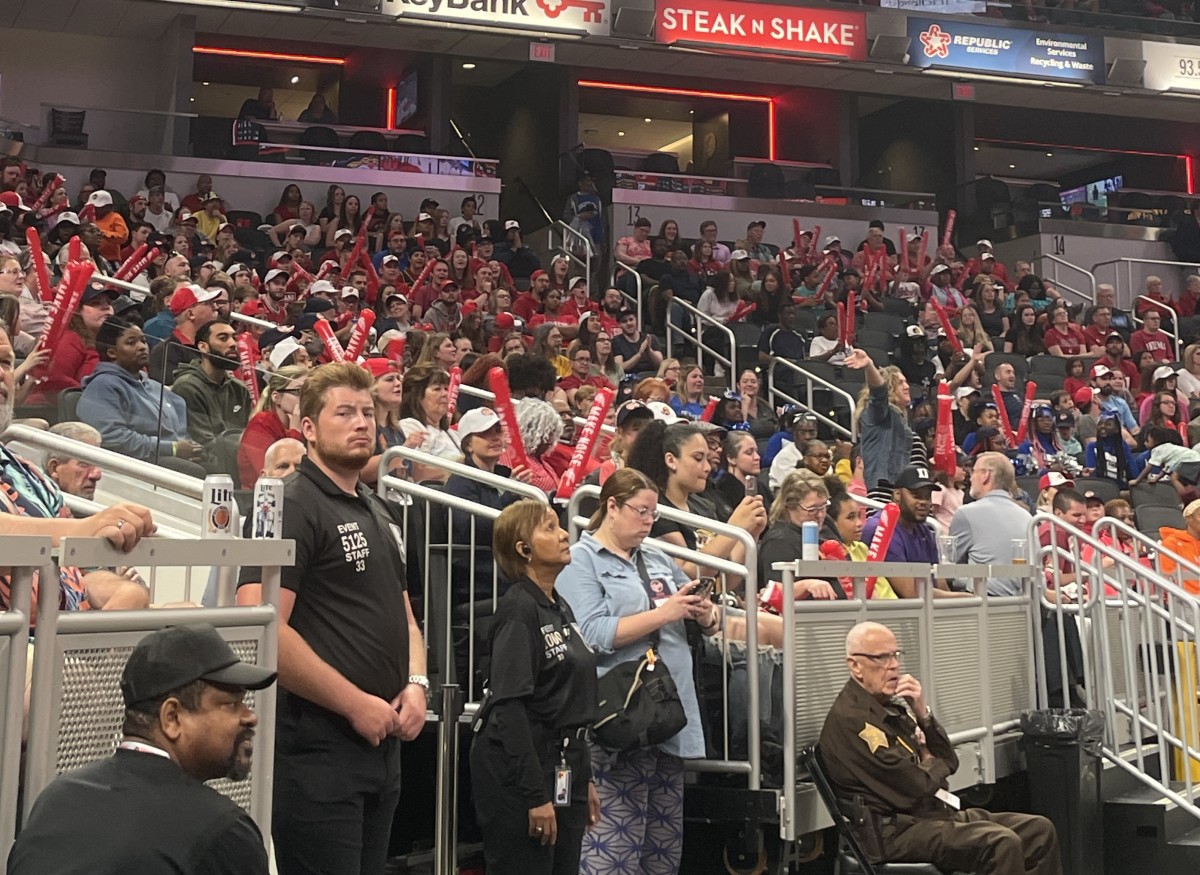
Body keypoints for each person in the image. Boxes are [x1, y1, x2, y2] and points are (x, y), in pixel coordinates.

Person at [237, 362, 428, 875]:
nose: (362, 423)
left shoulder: (378, 509)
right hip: (317, 748)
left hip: (382, 743)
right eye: (344, 412)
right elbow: (262, 624)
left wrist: (415, 683)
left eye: (367, 412)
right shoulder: (291, 503)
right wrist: (352, 704)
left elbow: (407, 619)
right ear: (309, 429)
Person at [8, 623, 276, 875]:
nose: (250, 716)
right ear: (172, 718)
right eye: (231, 704)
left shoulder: (57, 797)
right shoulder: (221, 831)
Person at [556, 468, 720, 875]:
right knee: (613, 847)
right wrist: (662, 614)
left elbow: (697, 610)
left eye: (653, 513)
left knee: (663, 848)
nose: (648, 521)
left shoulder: (658, 557)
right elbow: (591, 634)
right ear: (611, 507)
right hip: (621, 714)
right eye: (641, 512)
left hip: (670, 712)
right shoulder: (580, 560)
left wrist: (706, 614)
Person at [819, 621, 1062, 875]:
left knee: (1039, 831)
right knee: (1000, 843)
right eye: (881, 658)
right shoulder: (854, 721)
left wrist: (922, 712)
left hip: (929, 815)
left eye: (895, 655)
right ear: (855, 665)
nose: (893, 665)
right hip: (894, 832)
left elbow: (949, 760)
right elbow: (916, 787)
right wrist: (929, 760)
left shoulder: (890, 707)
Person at [471, 500, 600, 875]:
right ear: (523, 549)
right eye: (549, 528)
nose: (564, 535)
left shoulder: (559, 606)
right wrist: (534, 796)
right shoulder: (518, 610)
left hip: (567, 763)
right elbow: (509, 708)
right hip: (521, 770)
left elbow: (572, 702)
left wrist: (585, 779)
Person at [76, 320, 206, 476]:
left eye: (143, 341)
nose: (142, 347)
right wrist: (171, 448)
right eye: (131, 343)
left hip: (170, 457)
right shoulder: (102, 386)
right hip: (135, 465)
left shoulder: (154, 385)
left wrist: (191, 448)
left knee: (217, 464)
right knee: (196, 472)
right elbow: (111, 438)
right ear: (112, 352)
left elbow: (180, 431)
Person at [169, 320, 251, 470]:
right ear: (203, 347)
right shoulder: (188, 386)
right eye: (223, 338)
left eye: (235, 338)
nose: (233, 344)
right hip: (208, 466)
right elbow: (204, 444)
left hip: (236, 461)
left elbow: (248, 437)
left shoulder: (239, 388)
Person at [949, 452, 1032, 595]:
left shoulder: (967, 513)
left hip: (985, 605)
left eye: (973, 471)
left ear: (985, 475)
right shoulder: (1027, 516)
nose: (970, 477)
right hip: (1026, 603)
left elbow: (950, 565)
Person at [859, 465, 946, 599]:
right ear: (897, 494)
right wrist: (968, 598)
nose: (923, 502)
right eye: (916, 495)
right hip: (890, 613)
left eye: (927, 496)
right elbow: (911, 593)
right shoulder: (881, 527)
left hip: (922, 611)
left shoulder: (924, 530)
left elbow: (938, 581)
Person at [846, 349, 913, 496]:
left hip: (898, 489)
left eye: (906, 382)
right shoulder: (877, 412)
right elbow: (878, 394)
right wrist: (869, 365)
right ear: (890, 388)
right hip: (882, 488)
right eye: (900, 383)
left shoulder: (900, 418)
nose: (907, 386)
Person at [236, 366, 307, 489]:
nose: (306, 398)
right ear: (276, 397)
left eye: (309, 392)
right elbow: (274, 476)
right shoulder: (261, 423)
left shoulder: (308, 425)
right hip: (260, 497)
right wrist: (295, 433)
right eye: (299, 392)